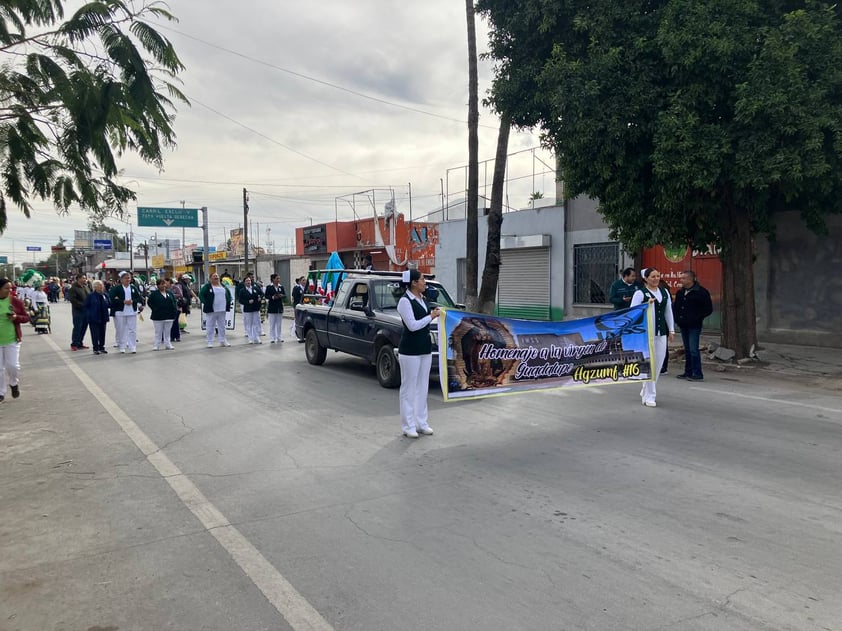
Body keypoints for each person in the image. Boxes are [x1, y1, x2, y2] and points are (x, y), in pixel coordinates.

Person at [397, 269, 441, 438]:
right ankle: (408, 426)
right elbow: (413, 325)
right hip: (410, 350)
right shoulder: (405, 301)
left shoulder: (423, 299)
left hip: (424, 348)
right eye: (422, 279)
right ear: (414, 283)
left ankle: (421, 422)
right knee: (409, 388)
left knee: (423, 386)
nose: (425, 282)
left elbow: (428, 320)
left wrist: (438, 315)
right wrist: (431, 316)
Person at [631, 268, 675, 407]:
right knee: (650, 364)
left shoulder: (664, 292)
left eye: (658, 276)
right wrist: (646, 305)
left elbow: (668, 311)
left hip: (661, 332)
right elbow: (632, 312)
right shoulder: (640, 293)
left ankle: (646, 388)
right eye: (653, 276)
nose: (656, 279)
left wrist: (672, 330)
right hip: (646, 333)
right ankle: (650, 396)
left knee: (659, 363)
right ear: (646, 279)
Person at [673, 269, 713, 382]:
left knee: (693, 349)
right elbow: (676, 307)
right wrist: (677, 319)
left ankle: (697, 373)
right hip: (683, 324)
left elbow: (708, 309)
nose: (681, 280)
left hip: (694, 325)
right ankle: (688, 371)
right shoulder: (681, 292)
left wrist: (697, 317)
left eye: (683, 278)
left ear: (691, 279)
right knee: (687, 349)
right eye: (681, 278)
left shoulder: (701, 292)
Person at [0, 278, 30, 402]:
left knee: (13, 366)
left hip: (12, 339)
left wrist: (16, 317)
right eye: (7, 288)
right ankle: (1, 392)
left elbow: (26, 317)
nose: (10, 290)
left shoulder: (15, 301)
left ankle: (13, 383)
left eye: (11, 288)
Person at [109, 271, 144, 354]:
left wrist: (132, 301)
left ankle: (133, 346)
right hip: (120, 312)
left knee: (132, 329)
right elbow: (112, 299)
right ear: (121, 280)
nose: (128, 279)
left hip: (132, 311)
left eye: (129, 278)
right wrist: (123, 301)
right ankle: (122, 346)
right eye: (125, 278)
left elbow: (139, 298)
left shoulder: (133, 287)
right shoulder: (116, 288)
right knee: (121, 329)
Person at [199, 273, 232, 348]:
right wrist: (206, 303)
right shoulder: (207, 287)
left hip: (222, 309)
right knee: (210, 326)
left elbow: (228, 295)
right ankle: (210, 341)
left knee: (222, 326)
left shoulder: (223, 286)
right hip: (211, 309)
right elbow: (201, 295)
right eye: (214, 276)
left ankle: (223, 341)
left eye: (217, 276)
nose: (216, 277)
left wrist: (228, 301)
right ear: (210, 279)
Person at [147, 278, 178, 351]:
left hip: (169, 315)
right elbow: (149, 302)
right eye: (161, 284)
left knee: (167, 331)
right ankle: (156, 345)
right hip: (158, 316)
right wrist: (155, 309)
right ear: (158, 285)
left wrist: (174, 310)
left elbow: (174, 301)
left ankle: (168, 344)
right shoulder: (154, 294)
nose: (163, 285)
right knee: (158, 331)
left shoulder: (169, 293)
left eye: (164, 284)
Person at [83, 280, 111, 355]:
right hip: (94, 317)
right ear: (95, 287)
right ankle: (95, 348)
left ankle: (102, 347)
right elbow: (85, 306)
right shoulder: (91, 296)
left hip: (103, 316)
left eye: (102, 285)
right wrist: (89, 314)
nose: (101, 287)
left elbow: (109, 303)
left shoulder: (105, 295)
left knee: (102, 333)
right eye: (99, 285)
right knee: (95, 334)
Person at [238, 275, 263, 344]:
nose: (248, 282)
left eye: (249, 280)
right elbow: (240, 300)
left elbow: (261, 294)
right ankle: (250, 338)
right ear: (244, 283)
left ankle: (256, 337)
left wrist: (260, 297)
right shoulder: (242, 291)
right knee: (249, 324)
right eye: (247, 281)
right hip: (248, 309)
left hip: (255, 308)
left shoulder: (255, 288)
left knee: (256, 323)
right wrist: (247, 302)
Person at [68, 273, 90, 351]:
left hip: (86, 312)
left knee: (84, 327)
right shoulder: (73, 288)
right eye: (83, 278)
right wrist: (83, 305)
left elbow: (89, 297)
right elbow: (73, 300)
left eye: (85, 278)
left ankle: (80, 343)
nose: (84, 279)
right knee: (77, 327)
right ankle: (74, 344)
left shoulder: (86, 287)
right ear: (78, 279)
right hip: (78, 311)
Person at [264, 273, 286, 343]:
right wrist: (273, 297)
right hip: (272, 307)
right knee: (272, 324)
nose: (278, 280)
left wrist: (281, 296)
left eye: (279, 278)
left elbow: (285, 295)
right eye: (277, 278)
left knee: (279, 324)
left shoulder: (281, 287)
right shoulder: (269, 287)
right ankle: (272, 337)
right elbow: (266, 296)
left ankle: (279, 337)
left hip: (279, 306)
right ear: (273, 279)